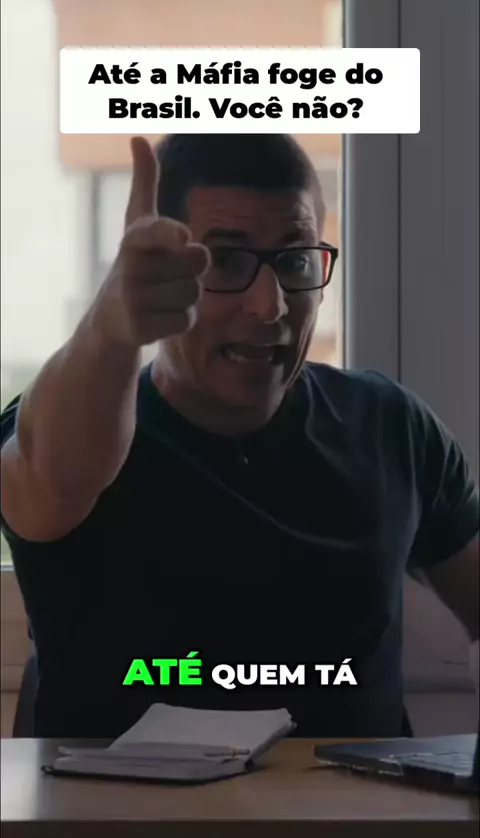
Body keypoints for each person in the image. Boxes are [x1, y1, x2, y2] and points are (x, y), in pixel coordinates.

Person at [1, 134, 478, 739]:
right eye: (225, 261)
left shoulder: (391, 426)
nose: (268, 305)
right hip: (122, 801)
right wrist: (111, 326)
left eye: (295, 262)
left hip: (352, 799)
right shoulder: (82, 420)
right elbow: (52, 474)